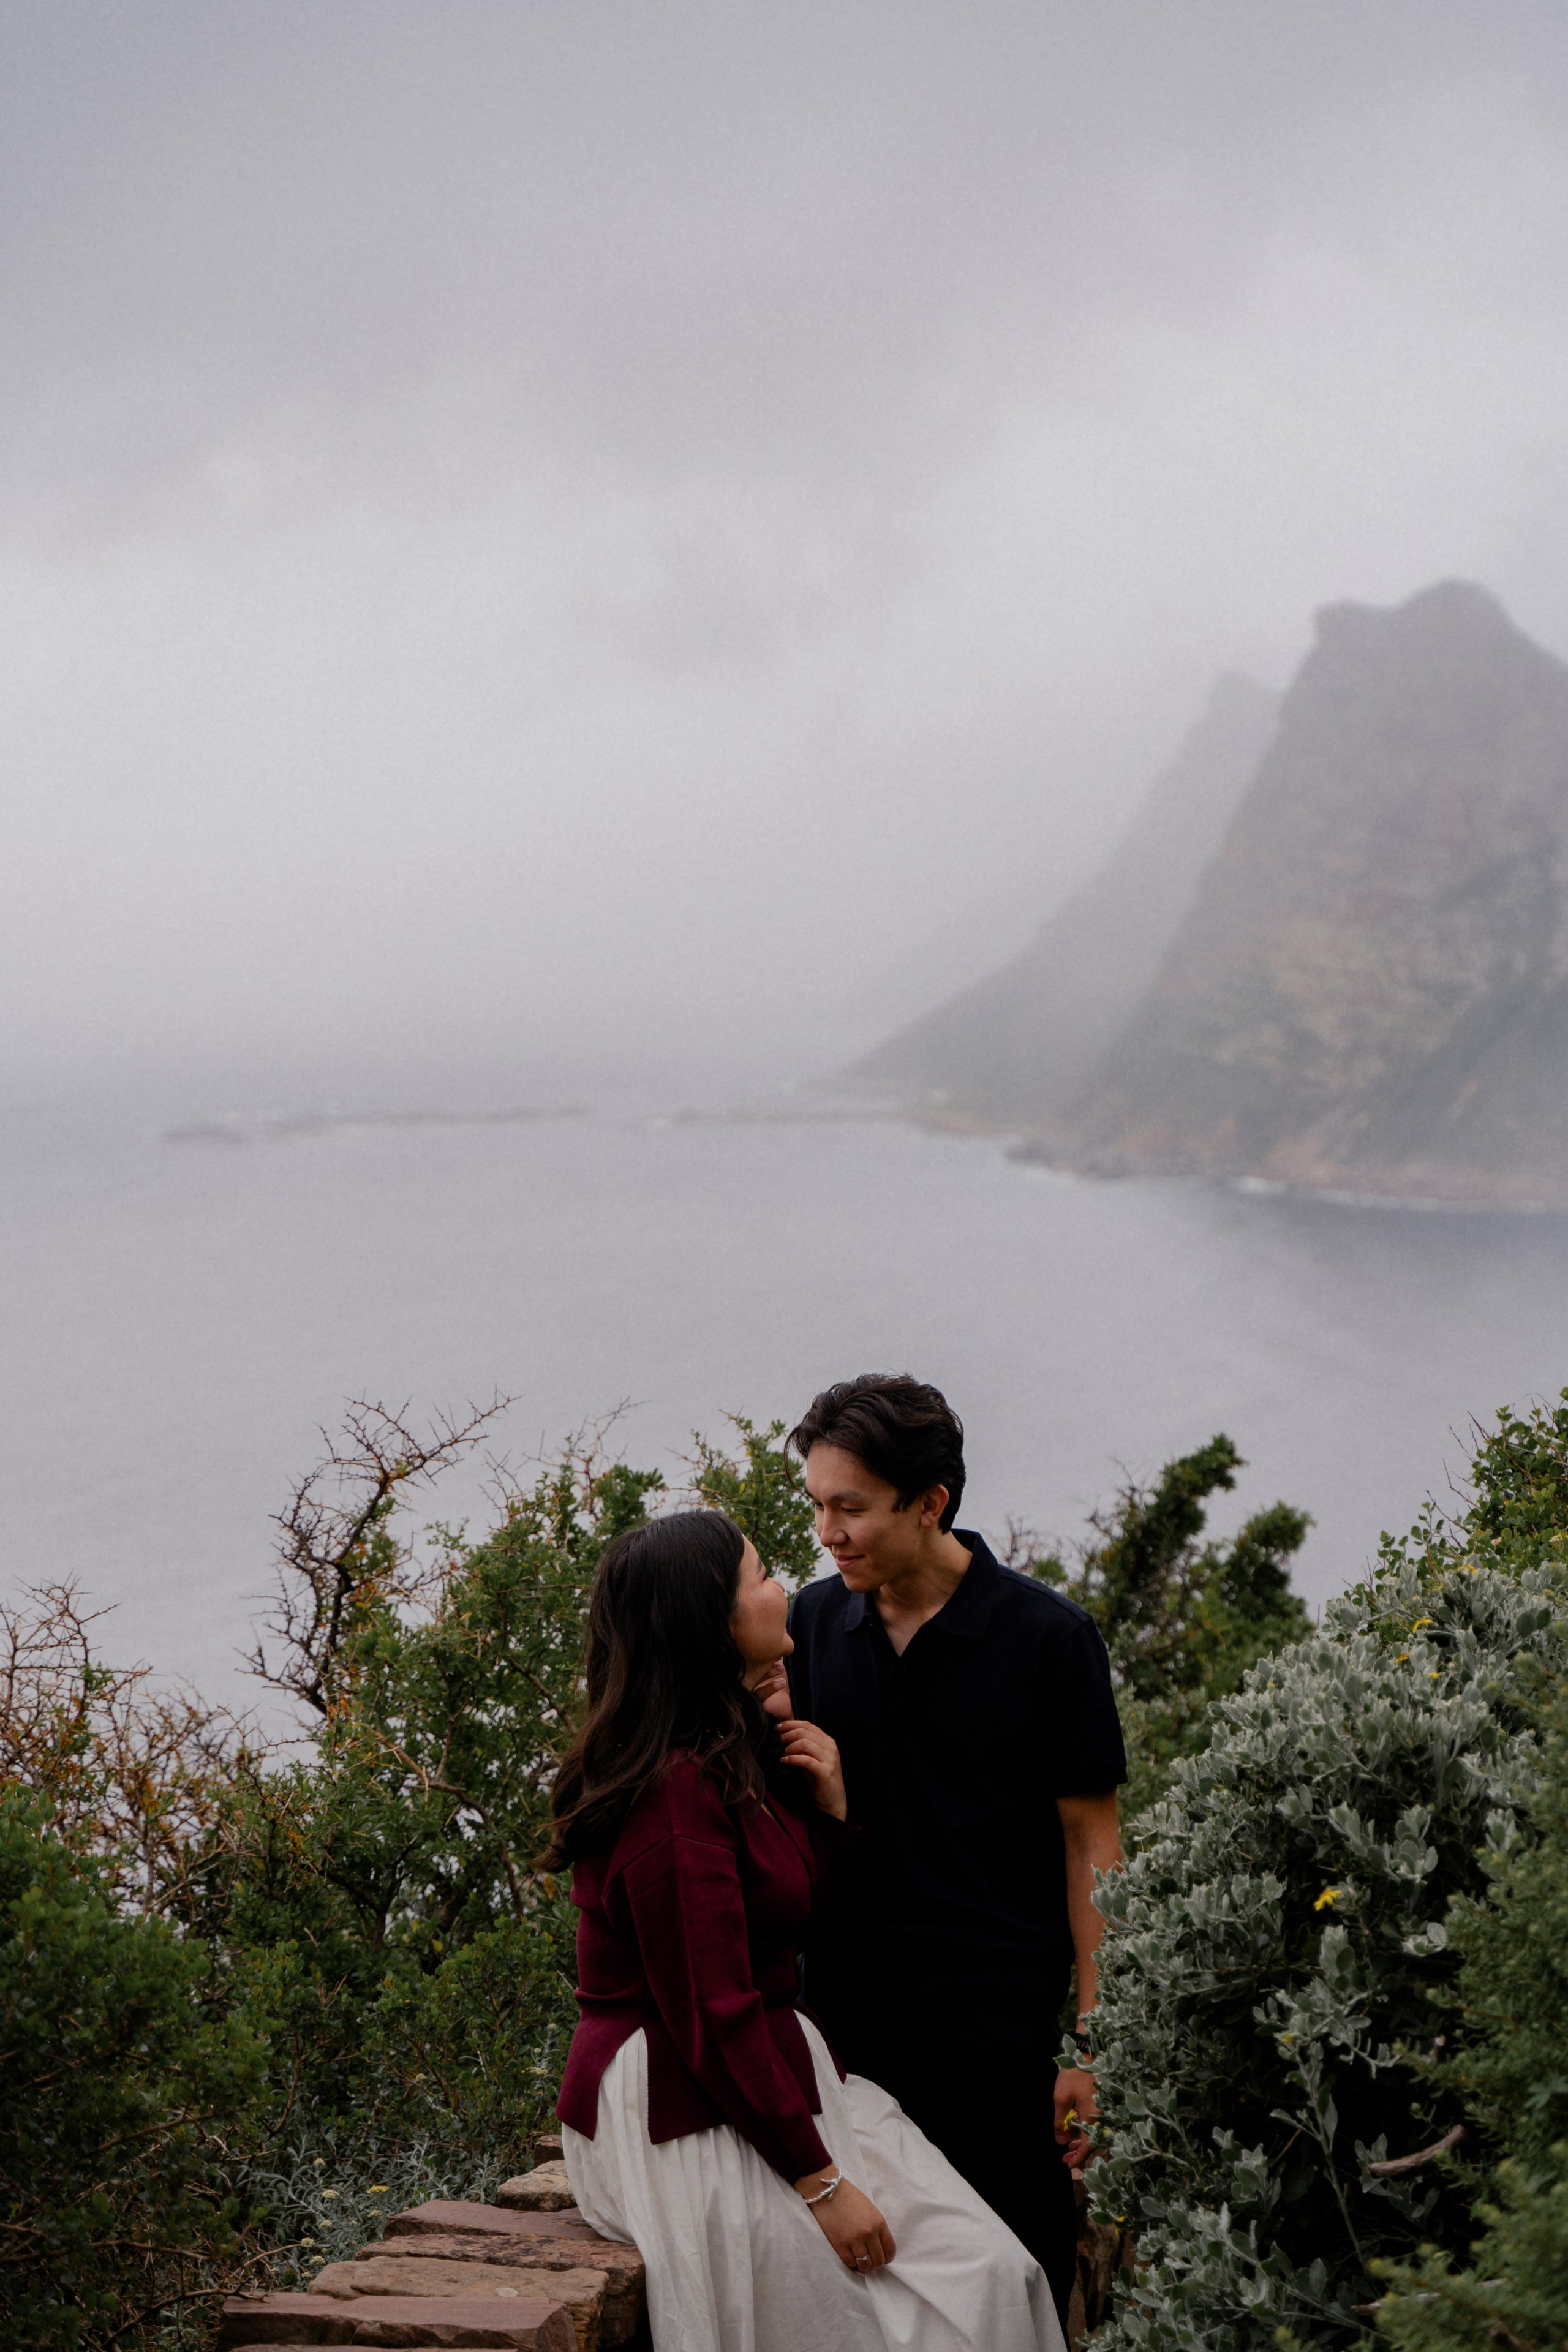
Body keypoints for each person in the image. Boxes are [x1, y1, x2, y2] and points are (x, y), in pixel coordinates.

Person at [548, 1508, 1065, 2352]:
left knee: (994, 2273)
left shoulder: (726, 1746)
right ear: (712, 1621)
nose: (782, 1585)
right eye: (759, 1574)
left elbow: (781, 1921)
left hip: (761, 2081)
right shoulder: (673, 1800)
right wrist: (823, 2188)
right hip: (683, 2108)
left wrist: (827, 1813)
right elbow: (714, 2013)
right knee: (907, 2318)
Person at [775, 1375, 1126, 2329]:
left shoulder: (1048, 1639)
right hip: (844, 2039)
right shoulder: (808, 1626)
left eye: (852, 1508)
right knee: (863, 2310)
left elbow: (1094, 1844)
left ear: (930, 1504)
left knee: (1020, 2288)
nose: (828, 1531)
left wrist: (1096, 2043)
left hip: (998, 2045)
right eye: (817, 1506)